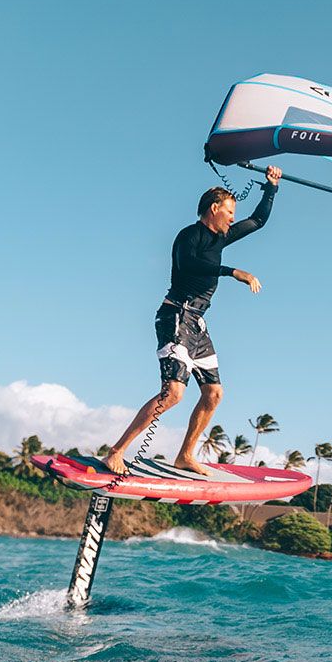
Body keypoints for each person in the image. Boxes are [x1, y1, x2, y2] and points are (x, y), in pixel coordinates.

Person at [103, 165, 282, 476]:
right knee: (173, 392)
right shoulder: (190, 236)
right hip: (176, 316)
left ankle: (185, 454)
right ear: (213, 209)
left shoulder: (221, 239)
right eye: (228, 211)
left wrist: (271, 187)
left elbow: (258, 221)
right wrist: (232, 272)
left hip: (197, 323)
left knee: (214, 393)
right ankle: (116, 452)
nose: (231, 218)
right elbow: (191, 264)